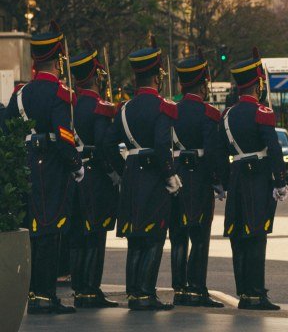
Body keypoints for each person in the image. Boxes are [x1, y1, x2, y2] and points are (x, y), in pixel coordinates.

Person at [3, 22, 83, 314]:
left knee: (33, 232)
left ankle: (33, 293)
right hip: (50, 167)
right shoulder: (60, 93)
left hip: (26, 166)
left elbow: (8, 127)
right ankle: (45, 295)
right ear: (59, 60)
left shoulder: (21, 93)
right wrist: (75, 164)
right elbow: (64, 135)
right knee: (49, 231)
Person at [109, 40, 181, 311]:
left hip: (131, 174)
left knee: (135, 237)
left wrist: (120, 169)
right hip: (153, 175)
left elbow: (107, 144)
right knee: (154, 235)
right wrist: (169, 176)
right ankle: (145, 293)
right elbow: (163, 145)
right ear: (157, 76)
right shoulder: (163, 107)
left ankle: (133, 293)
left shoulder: (124, 109)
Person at [223, 48, 288, 310]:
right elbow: (273, 149)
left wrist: (221, 180)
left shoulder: (227, 115)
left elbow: (219, 151)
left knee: (238, 237)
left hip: (237, 177)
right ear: (258, 83)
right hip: (258, 178)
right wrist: (280, 180)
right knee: (257, 235)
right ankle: (256, 293)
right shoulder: (263, 112)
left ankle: (244, 293)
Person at [169, 52, 228, 308]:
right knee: (200, 237)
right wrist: (219, 180)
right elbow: (213, 152)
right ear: (203, 83)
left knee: (178, 236)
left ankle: (180, 289)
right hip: (199, 179)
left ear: (182, 83)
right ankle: (196, 289)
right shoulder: (209, 114)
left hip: (174, 178)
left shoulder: (170, 110)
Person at [67, 48, 121, 308]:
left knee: (78, 234)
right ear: (97, 77)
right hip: (95, 177)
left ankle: (79, 288)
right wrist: (114, 172)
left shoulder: (68, 104)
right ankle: (90, 289)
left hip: (72, 175)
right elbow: (103, 145)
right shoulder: (100, 107)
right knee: (96, 233)